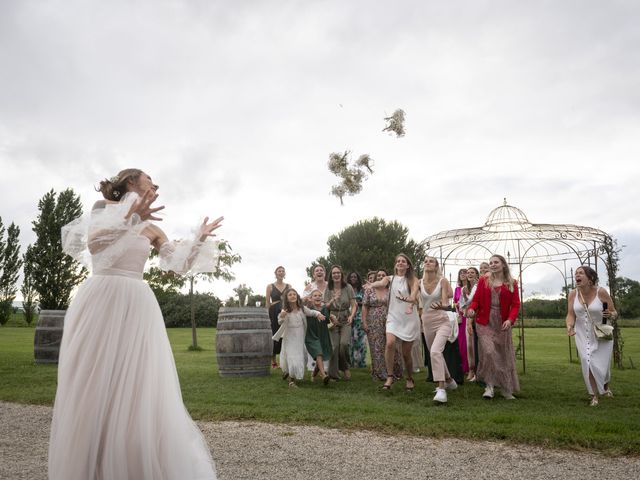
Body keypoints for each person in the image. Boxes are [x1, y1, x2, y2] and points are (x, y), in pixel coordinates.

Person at [50, 169, 219, 479]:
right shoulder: (103, 208)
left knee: (139, 383)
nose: (155, 186)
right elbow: (95, 244)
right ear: (130, 181)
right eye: (149, 179)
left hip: (138, 305)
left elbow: (178, 266)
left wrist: (198, 240)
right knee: (94, 380)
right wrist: (130, 218)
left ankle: (131, 464)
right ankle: (93, 465)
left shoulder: (153, 229)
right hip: (101, 299)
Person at [467, 254, 520, 400]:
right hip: (484, 321)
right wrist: (472, 309)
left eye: (496, 262)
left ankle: (505, 388)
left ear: (503, 264)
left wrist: (510, 320)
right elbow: (476, 300)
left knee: (503, 355)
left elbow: (515, 304)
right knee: (489, 352)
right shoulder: (484, 280)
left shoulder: (512, 283)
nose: (492, 264)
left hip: (502, 323)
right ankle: (489, 386)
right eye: (491, 262)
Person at [566, 266, 617, 406]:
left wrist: (610, 314)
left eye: (581, 273)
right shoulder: (572, 294)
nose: (577, 275)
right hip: (582, 334)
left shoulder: (601, 292)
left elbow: (614, 312)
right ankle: (593, 395)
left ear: (590, 278)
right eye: (576, 273)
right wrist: (569, 326)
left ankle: (605, 386)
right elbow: (570, 314)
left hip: (602, 334)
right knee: (587, 361)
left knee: (602, 365)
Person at [368, 254, 420, 392]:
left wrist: (409, 299)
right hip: (393, 317)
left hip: (409, 318)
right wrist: (371, 285)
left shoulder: (413, 279)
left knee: (406, 353)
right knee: (390, 343)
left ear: (408, 265)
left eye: (403, 261)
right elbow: (381, 283)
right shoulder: (390, 279)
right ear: (395, 264)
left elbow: (414, 294)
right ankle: (390, 377)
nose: (400, 263)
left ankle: (409, 378)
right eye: (398, 261)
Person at [420, 257, 458, 403]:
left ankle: (441, 389)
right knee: (435, 353)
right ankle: (449, 380)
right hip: (426, 321)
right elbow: (412, 297)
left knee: (435, 351)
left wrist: (442, 305)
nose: (427, 263)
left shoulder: (442, 281)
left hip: (442, 320)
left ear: (436, 266)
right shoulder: (419, 282)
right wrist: (408, 301)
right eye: (426, 261)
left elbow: (445, 301)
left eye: (431, 261)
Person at [274, 288, 326, 388]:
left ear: (297, 297)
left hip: (300, 338)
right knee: (292, 358)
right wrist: (282, 315)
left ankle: (288, 372)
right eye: (290, 295)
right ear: (287, 298)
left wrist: (318, 314)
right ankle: (291, 381)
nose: (293, 296)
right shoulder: (285, 310)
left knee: (300, 357)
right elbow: (279, 321)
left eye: (294, 294)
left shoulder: (302, 309)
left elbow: (311, 312)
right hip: (289, 338)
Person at [362, 269, 403, 381]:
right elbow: (365, 306)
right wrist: (364, 321)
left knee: (391, 345)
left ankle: (394, 372)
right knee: (377, 347)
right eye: (378, 275)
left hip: (390, 320)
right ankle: (380, 373)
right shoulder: (369, 290)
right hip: (373, 322)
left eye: (383, 275)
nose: (380, 277)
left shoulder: (391, 290)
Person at [324, 265, 357, 380]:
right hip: (333, 320)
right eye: (334, 273)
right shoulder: (328, 289)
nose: (336, 275)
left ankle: (345, 367)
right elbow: (325, 307)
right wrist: (333, 299)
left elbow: (354, 305)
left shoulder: (348, 287)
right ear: (331, 276)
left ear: (341, 274)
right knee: (334, 347)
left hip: (345, 319)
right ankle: (333, 375)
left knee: (343, 345)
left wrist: (352, 316)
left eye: (338, 273)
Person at [305, 289, 333, 385]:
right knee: (318, 352)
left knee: (320, 355)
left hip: (323, 334)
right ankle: (324, 375)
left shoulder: (324, 308)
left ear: (322, 298)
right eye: (315, 295)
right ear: (311, 298)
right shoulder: (308, 307)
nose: (317, 297)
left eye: (319, 295)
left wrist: (333, 318)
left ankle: (313, 375)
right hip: (311, 334)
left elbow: (327, 321)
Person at [265, 266, 291, 368]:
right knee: (274, 333)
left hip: (285, 311)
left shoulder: (289, 286)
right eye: (279, 271)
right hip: (273, 311)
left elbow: (291, 299)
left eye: (282, 271)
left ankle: (284, 360)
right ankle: (273, 361)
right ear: (275, 274)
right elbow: (267, 302)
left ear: (284, 274)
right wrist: (267, 315)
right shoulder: (270, 286)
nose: (281, 272)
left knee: (285, 334)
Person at [460, 266, 480, 381]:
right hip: (468, 317)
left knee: (478, 345)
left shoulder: (478, 287)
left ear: (476, 274)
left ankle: (478, 371)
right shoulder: (464, 289)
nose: (470, 274)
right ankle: (471, 370)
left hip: (478, 316)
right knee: (469, 345)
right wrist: (465, 311)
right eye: (468, 272)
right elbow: (462, 304)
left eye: (472, 272)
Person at [348, 271, 368, 368]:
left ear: (358, 278)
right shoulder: (346, 289)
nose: (353, 278)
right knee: (351, 340)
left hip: (360, 317)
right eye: (351, 276)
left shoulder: (362, 290)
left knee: (361, 341)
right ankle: (351, 363)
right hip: (349, 317)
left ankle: (361, 362)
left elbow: (366, 302)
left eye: (355, 276)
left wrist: (357, 303)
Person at [453, 268, 470, 375]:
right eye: (461, 273)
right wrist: (456, 305)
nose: (463, 275)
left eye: (465, 273)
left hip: (468, 316)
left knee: (467, 343)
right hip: (459, 318)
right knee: (460, 343)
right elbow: (455, 302)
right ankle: (462, 367)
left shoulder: (470, 287)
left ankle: (469, 367)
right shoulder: (457, 289)